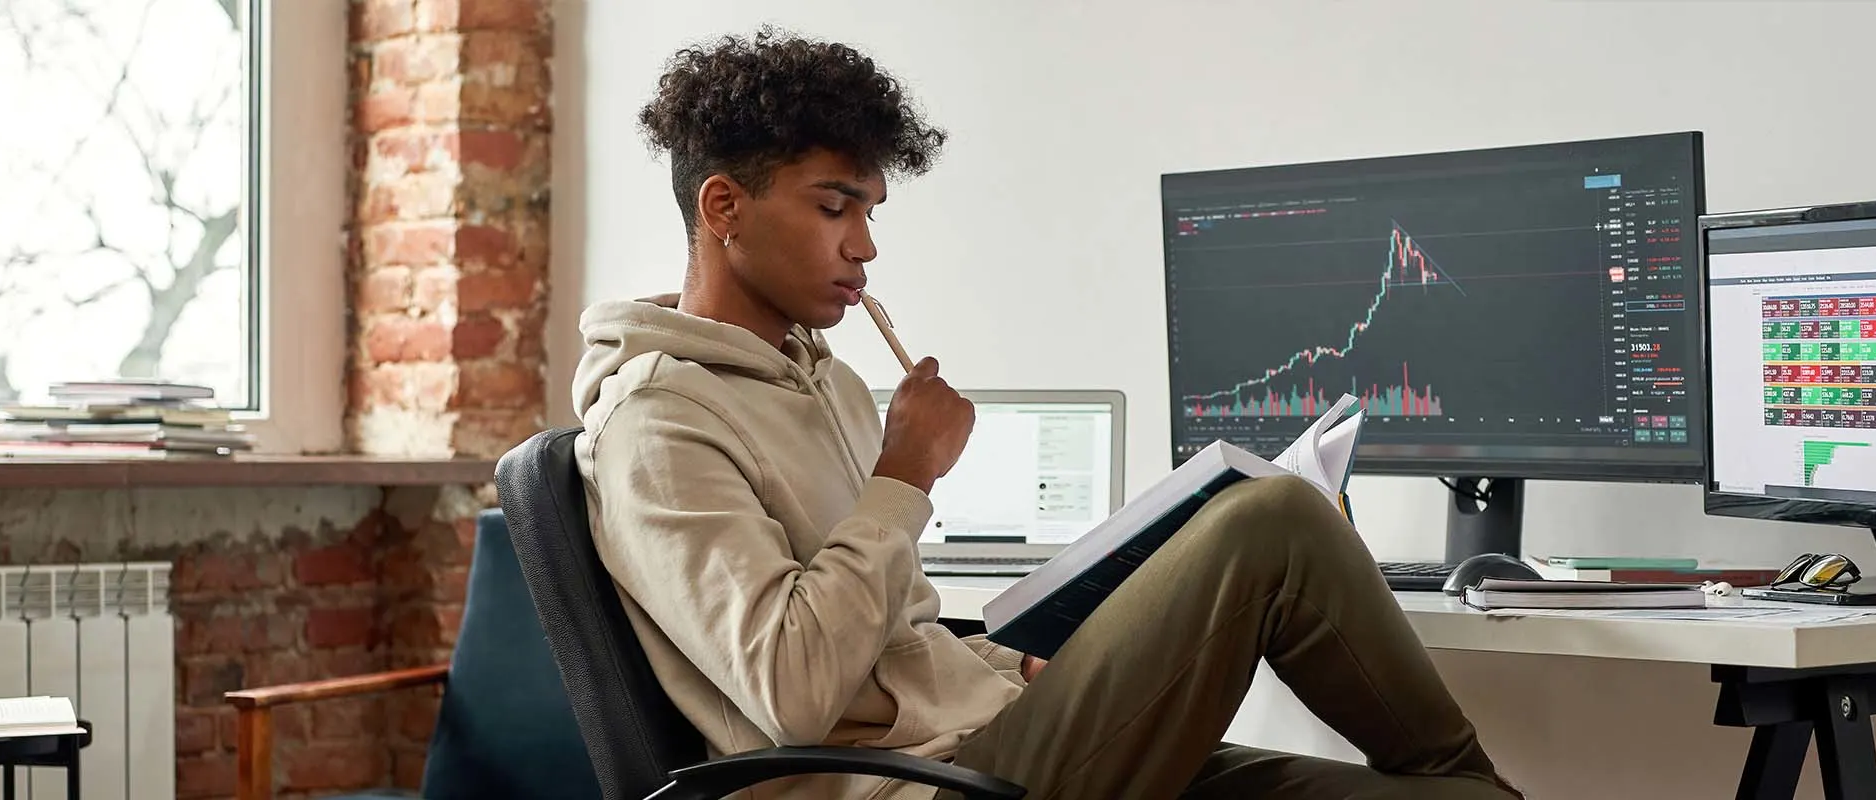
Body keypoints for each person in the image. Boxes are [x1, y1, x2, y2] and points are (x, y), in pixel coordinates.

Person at [570, 27, 1524, 800]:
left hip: (990, 741)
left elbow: (894, 640)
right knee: (1270, 518)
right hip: (920, 790)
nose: (865, 246)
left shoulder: (826, 383)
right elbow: (791, 692)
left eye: (871, 210)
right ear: (724, 206)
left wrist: (1005, 661)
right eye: (834, 207)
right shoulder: (659, 425)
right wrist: (905, 475)